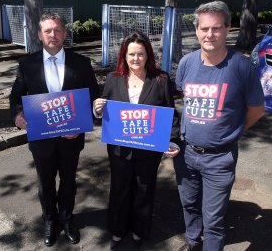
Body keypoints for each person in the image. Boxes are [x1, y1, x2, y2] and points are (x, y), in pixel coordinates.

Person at [173, 1, 265, 251]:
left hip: (220, 158)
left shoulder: (242, 67)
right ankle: (192, 242)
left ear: (227, 29)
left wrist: (232, 131)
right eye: (204, 29)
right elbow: (186, 99)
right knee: (189, 205)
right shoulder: (186, 64)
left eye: (216, 28)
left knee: (213, 219)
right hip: (186, 153)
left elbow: (257, 109)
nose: (209, 34)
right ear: (197, 30)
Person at [9, 13, 99, 247]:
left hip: (71, 137)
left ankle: (67, 219)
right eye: (48, 30)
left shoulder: (81, 63)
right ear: (40, 35)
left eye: (58, 30)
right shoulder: (27, 64)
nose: (53, 34)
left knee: (68, 181)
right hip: (42, 139)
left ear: (64, 34)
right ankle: (50, 219)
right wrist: (18, 115)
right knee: (45, 183)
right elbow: (16, 96)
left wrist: (81, 126)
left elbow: (93, 97)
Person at [93, 31, 180, 249]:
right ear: (124, 56)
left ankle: (140, 230)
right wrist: (97, 110)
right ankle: (118, 229)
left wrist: (173, 140)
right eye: (131, 54)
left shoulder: (160, 80)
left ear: (148, 55)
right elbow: (105, 110)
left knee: (144, 189)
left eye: (140, 54)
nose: (135, 59)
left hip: (148, 149)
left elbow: (171, 113)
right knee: (119, 189)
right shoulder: (114, 79)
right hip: (119, 149)